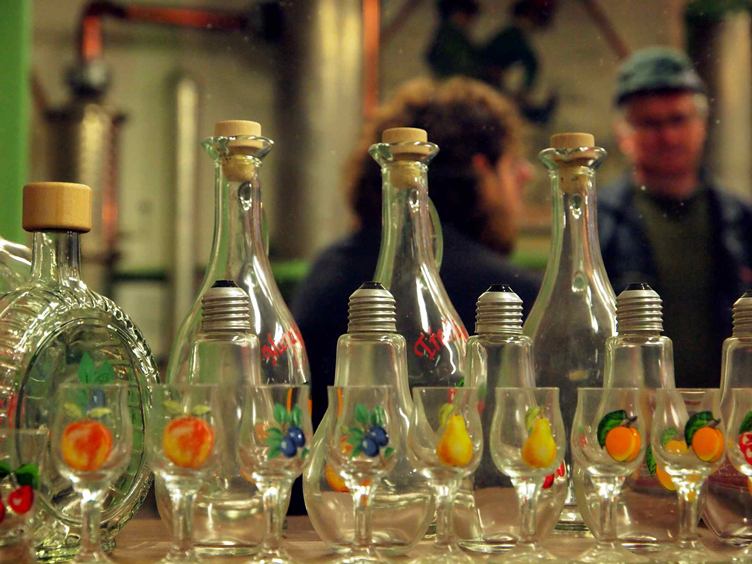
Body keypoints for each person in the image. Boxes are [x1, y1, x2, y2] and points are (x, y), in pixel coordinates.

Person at [292, 76, 540, 430]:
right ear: (482, 171)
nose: (527, 174)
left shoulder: (326, 272)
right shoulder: (510, 295)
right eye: (513, 164)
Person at [598, 46, 752, 388]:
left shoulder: (740, 219)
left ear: (702, 124)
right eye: (650, 123)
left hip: (729, 409)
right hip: (633, 409)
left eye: (678, 119)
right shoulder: (598, 222)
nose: (668, 137)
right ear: (624, 132)